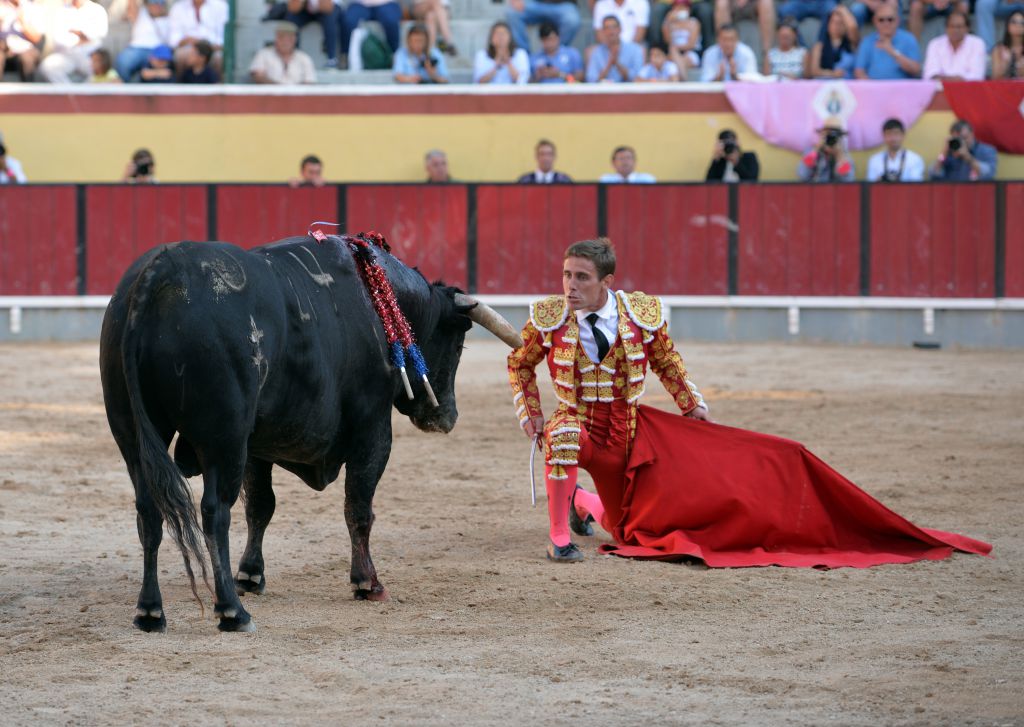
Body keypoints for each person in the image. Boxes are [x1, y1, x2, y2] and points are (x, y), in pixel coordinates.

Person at [507, 238, 992, 567]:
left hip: (630, 434)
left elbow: (666, 361)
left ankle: (583, 504)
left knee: (627, 532)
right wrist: (531, 413)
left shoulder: (639, 314)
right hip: (580, 425)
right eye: (567, 275)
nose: (569, 285)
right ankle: (559, 539)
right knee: (565, 435)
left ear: (606, 280)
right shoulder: (549, 318)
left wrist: (690, 403)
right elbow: (520, 364)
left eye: (581, 277)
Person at [37, 0, 109, 83]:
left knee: (100, 67)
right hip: (67, 55)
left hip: (90, 56)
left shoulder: (97, 10)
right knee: (47, 67)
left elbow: (100, 34)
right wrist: (82, 38)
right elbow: (58, 39)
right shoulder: (62, 11)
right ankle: (69, 93)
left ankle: (84, 93)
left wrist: (78, 33)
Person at [853, 2, 921, 79]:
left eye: (890, 19)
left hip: (903, 90)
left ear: (898, 20)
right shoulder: (867, 41)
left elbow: (916, 70)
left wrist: (892, 51)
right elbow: (859, 72)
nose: (886, 23)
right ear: (874, 21)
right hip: (875, 90)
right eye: (881, 20)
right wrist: (873, 89)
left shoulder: (909, 39)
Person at [274, 0, 342, 69]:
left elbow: (327, 7)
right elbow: (293, 8)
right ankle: (292, 58)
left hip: (330, 7)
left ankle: (332, 59)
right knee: (290, 20)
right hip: (306, 8)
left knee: (330, 20)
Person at [168, 0, 227, 77]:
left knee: (220, 58)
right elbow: (173, 39)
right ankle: (181, 86)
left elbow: (225, 35)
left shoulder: (221, 6)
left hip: (214, 47)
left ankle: (218, 87)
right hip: (188, 47)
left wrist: (208, 46)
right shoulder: (178, 7)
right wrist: (190, 42)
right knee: (180, 56)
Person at [114, 0, 170, 82]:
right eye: (153, 2)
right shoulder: (141, 13)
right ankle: (127, 88)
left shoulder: (170, 17)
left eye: (160, 2)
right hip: (136, 49)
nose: (157, 5)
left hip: (158, 50)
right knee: (123, 61)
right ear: (148, 4)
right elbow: (131, 5)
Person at [922, 11, 985, 79]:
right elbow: (930, 74)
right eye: (951, 26)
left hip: (968, 89)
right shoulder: (935, 44)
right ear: (946, 28)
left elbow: (976, 76)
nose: (955, 30)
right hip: (940, 88)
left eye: (959, 27)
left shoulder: (977, 44)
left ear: (967, 28)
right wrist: (956, 79)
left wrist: (946, 79)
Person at [929, 119, 997, 182]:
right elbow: (933, 174)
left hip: (976, 192)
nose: (962, 141)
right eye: (958, 139)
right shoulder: (948, 153)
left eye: (964, 138)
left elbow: (989, 174)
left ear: (972, 133)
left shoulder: (986, 150)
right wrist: (944, 153)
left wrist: (967, 157)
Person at [250, 21, 317, 84]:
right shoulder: (264, 54)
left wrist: (293, 92)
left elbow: (309, 82)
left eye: (289, 38)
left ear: (295, 39)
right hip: (270, 94)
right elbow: (258, 76)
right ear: (276, 38)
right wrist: (279, 89)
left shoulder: (304, 58)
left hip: (297, 95)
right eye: (281, 37)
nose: (285, 41)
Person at [340, 0, 402, 66]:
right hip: (359, 4)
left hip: (386, 3)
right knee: (348, 21)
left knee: (391, 21)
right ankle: (345, 55)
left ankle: (394, 56)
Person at [585, 14, 644, 83]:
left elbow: (638, 78)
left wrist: (617, 64)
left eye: (614, 27)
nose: (611, 31)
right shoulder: (597, 52)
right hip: (604, 92)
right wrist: (609, 65)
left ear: (620, 29)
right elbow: (591, 80)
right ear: (603, 31)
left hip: (628, 92)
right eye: (607, 28)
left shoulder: (635, 50)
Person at [713, 0, 775, 65]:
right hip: (731, 5)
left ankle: (766, 55)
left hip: (754, 6)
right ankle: (722, 52)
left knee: (766, 2)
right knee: (721, 3)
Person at [506, 0, 580, 52]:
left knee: (572, 20)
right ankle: (525, 56)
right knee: (513, 13)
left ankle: (557, 54)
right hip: (536, 3)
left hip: (563, 4)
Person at [866, 118, 925, 182]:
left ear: (903, 135)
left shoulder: (914, 159)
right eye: (889, 134)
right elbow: (870, 187)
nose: (893, 138)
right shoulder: (874, 160)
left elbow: (916, 187)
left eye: (896, 133)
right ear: (884, 136)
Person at [1, 0, 46, 81]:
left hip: (26, 47)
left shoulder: (34, 8)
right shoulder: (3, 6)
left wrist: (22, 21)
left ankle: (29, 91)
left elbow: (36, 38)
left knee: (26, 59)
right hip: (3, 46)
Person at [810, 5, 858, 78]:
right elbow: (814, 71)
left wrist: (842, 9)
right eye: (834, 22)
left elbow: (853, 27)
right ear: (827, 25)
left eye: (841, 23)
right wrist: (832, 73)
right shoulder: (819, 46)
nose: (837, 26)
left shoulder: (852, 44)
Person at [661, 1, 701, 77]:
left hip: (691, 53)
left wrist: (676, 48)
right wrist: (668, 22)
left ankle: (683, 80)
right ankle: (684, 80)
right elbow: (667, 40)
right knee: (671, 57)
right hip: (673, 54)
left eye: (683, 7)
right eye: (677, 7)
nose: (680, 10)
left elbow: (691, 44)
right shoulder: (670, 23)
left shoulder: (693, 22)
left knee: (677, 55)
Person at [991, 9, 1024, 78]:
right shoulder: (998, 50)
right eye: (1014, 22)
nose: (1018, 25)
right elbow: (995, 77)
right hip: (1004, 87)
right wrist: (1006, 64)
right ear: (1007, 26)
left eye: (1022, 23)